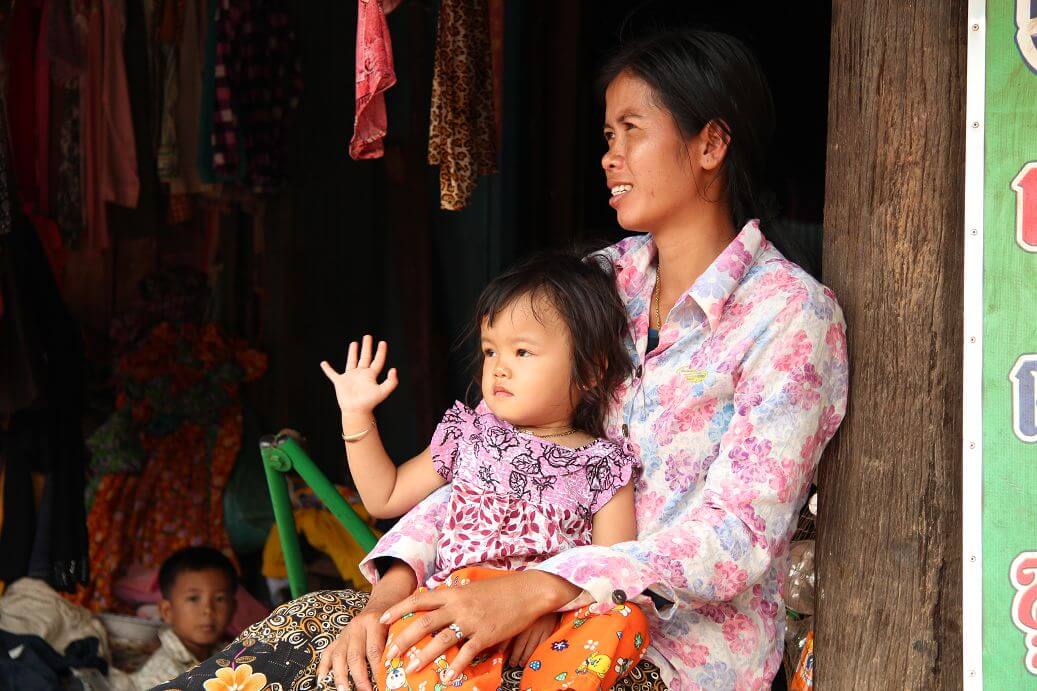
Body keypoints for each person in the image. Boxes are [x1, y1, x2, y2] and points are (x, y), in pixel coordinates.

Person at [156, 27, 848, 691]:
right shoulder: (593, 285)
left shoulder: (788, 318)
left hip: (666, 656)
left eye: (632, 130)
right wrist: (389, 597)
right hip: (494, 605)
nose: (608, 156)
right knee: (297, 645)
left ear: (710, 145)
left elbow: (734, 534)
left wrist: (545, 587)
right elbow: (488, 459)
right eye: (607, 135)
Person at [319, 253, 650, 690]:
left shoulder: (606, 466)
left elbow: (611, 564)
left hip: (545, 621)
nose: (499, 367)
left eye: (522, 351)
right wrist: (356, 415)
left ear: (590, 370)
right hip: (453, 604)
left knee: (625, 617)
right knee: (413, 645)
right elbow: (385, 495)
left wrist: (547, 609)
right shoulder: (469, 433)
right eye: (490, 350)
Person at [131, 547, 237, 689]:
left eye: (219, 598)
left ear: (233, 608)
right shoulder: (160, 675)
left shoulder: (231, 653)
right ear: (167, 611)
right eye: (193, 598)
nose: (208, 610)